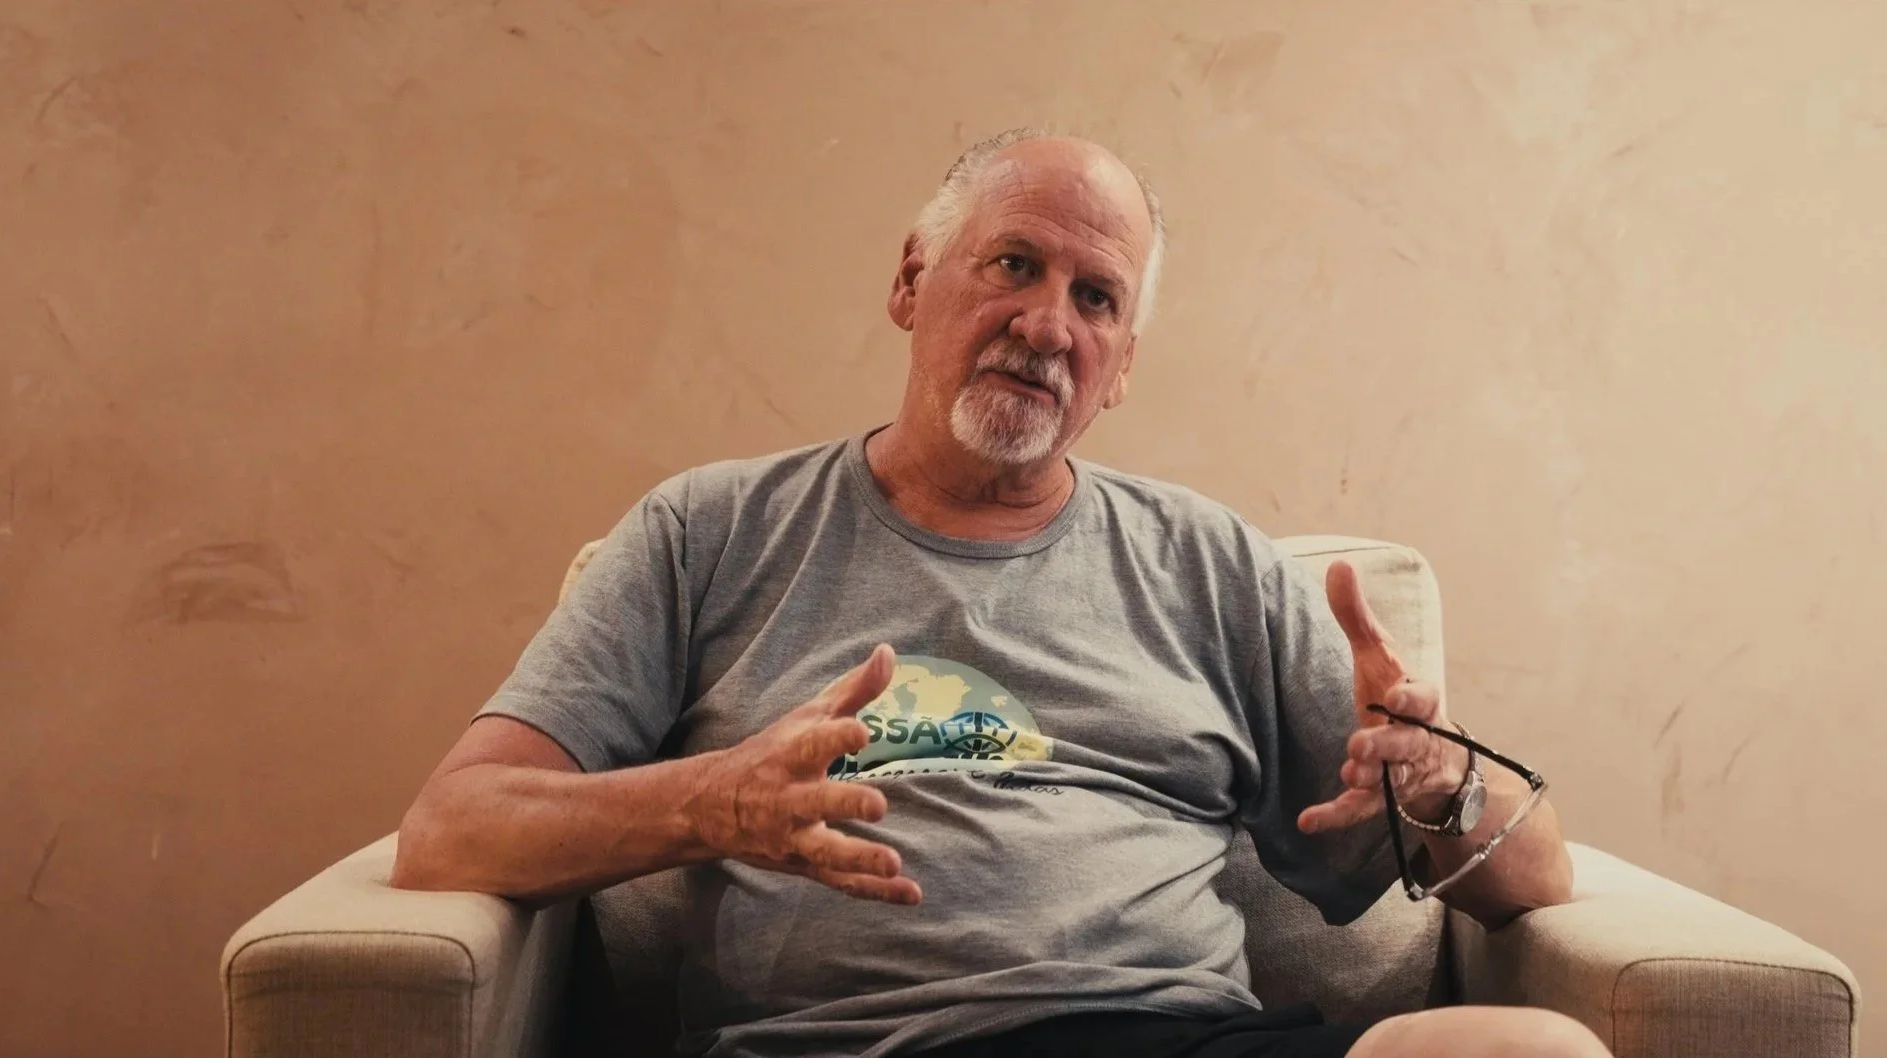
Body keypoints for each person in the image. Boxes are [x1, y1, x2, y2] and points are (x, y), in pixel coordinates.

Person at [391, 129, 1607, 1058]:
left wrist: (1441, 778)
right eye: (1013, 264)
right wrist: (706, 803)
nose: (1046, 323)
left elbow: (1535, 877)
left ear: (1121, 366)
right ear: (912, 282)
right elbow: (453, 829)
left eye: (1097, 298)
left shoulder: (1212, 564)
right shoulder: (707, 530)